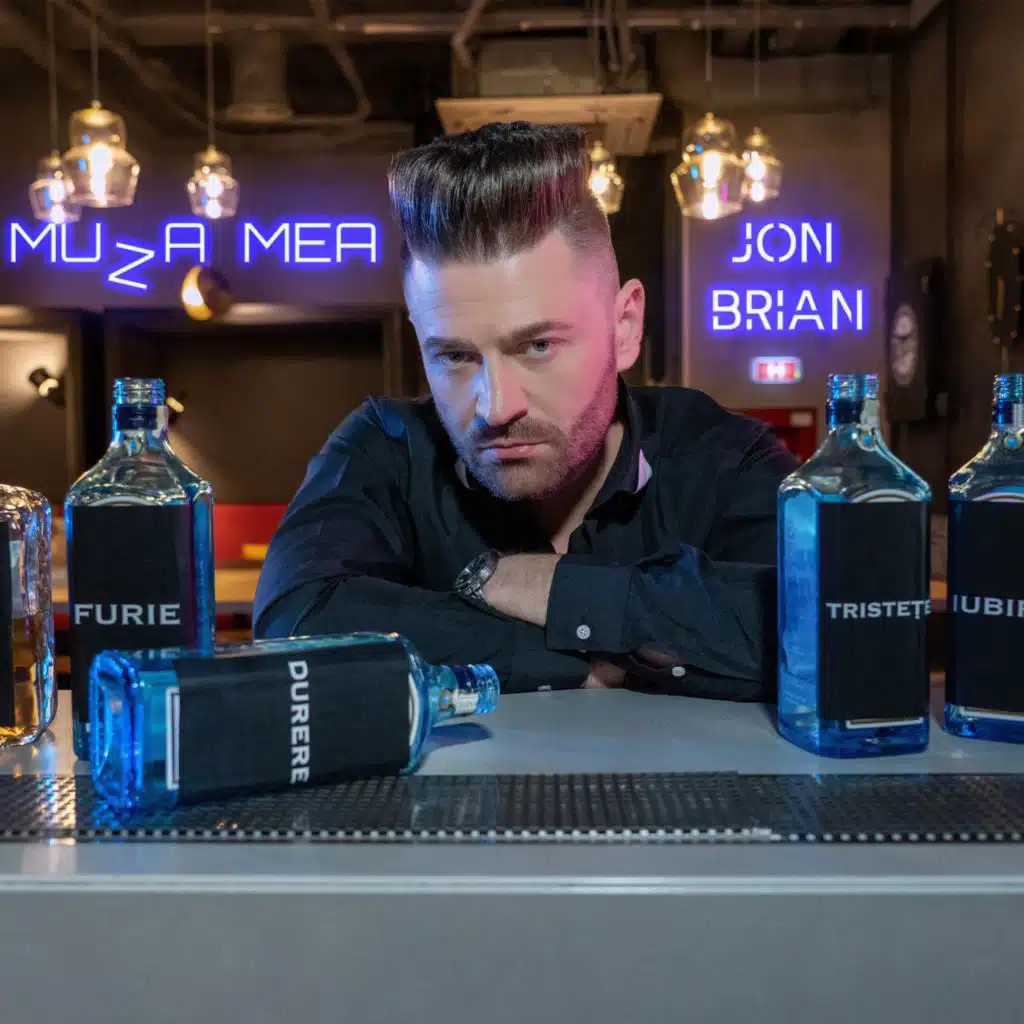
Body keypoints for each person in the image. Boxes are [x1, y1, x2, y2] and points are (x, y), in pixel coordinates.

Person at [253, 121, 799, 698]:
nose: (496, 407)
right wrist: (577, 660)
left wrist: (547, 588)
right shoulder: (387, 447)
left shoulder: (721, 456)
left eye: (538, 346)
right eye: (455, 356)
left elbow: (822, 626)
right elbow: (294, 622)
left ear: (624, 327)